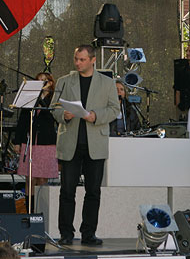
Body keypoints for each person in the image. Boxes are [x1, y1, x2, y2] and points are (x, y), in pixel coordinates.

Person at [51, 45, 119, 246]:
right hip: (70, 143)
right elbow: (54, 108)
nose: (78, 63)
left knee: (93, 192)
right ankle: (66, 233)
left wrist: (95, 116)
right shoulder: (64, 81)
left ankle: (89, 233)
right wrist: (64, 114)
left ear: (93, 60)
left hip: (95, 143)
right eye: (76, 59)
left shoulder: (107, 83)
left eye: (82, 59)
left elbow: (114, 109)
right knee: (67, 191)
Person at [13, 72, 58, 202]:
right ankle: (30, 208)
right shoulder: (30, 98)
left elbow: (52, 116)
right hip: (30, 142)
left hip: (46, 142)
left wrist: (42, 99)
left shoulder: (54, 99)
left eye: (45, 80)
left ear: (50, 83)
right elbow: (22, 122)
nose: (42, 83)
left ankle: (41, 207)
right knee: (30, 177)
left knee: (43, 178)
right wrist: (17, 142)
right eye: (39, 81)